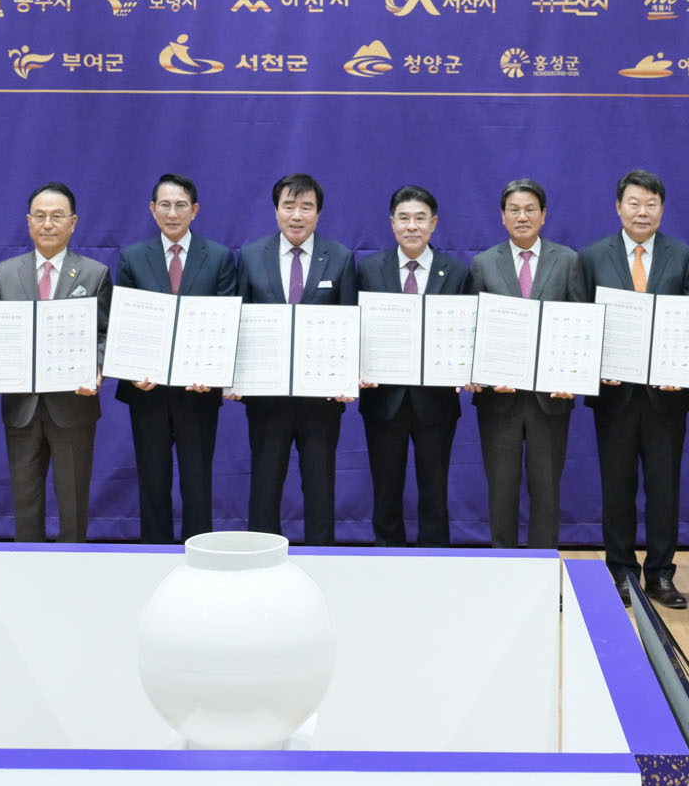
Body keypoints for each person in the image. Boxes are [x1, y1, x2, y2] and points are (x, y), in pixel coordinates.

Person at [581, 169, 689, 608]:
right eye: (634, 203)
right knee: (617, 489)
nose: (642, 211)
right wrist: (594, 368)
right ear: (618, 207)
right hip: (614, 396)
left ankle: (661, 574)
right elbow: (582, 321)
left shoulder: (682, 256)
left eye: (651, 204)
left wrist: (683, 369)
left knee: (664, 489)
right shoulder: (592, 256)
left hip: (665, 397)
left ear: (662, 209)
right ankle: (621, 572)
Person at [112, 173, 240, 544]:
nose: (172, 213)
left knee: (197, 481)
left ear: (194, 210)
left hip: (197, 392)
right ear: (152, 210)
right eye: (165, 205)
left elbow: (225, 323)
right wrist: (132, 371)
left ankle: (199, 552)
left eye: (181, 205)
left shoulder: (218, 257)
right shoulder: (133, 256)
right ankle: (155, 555)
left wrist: (212, 373)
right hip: (147, 390)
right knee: (152, 480)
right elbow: (124, 322)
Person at [235, 173, 359, 544]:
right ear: (276, 210)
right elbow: (238, 322)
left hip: (320, 400)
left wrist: (346, 379)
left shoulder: (339, 257)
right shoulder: (251, 256)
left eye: (306, 207)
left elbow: (349, 322)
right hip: (266, 397)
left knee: (320, 486)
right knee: (264, 485)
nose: (297, 215)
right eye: (288, 206)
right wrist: (234, 378)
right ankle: (261, 556)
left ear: (318, 213)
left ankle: (322, 560)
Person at [466, 179, 586, 549]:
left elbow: (579, 325)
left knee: (546, 490)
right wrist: (479, 376)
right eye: (514, 210)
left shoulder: (568, 260)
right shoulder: (484, 263)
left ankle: (543, 568)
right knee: (501, 490)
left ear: (543, 215)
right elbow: (472, 329)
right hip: (498, 400)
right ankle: (504, 568)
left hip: (550, 399)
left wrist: (573, 378)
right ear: (502, 216)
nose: (522, 217)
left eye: (530, 209)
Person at [0, 182, 110, 543]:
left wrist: (97, 368)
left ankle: (72, 568)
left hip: (74, 404)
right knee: (25, 502)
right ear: (28, 222)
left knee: (73, 503)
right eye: (40, 216)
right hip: (21, 406)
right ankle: (28, 567)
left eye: (57, 216)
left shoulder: (95, 273)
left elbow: (105, 334)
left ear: (73, 222)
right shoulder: (4, 274)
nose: (48, 224)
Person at [355, 185, 471, 547]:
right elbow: (357, 327)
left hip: (436, 401)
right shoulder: (369, 268)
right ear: (392, 223)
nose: (412, 226)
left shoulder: (456, 272)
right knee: (385, 488)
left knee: (434, 489)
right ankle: (387, 556)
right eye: (404, 218)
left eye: (420, 218)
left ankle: (435, 560)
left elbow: (467, 329)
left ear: (433, 223)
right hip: (383, 400)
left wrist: (464, 368)